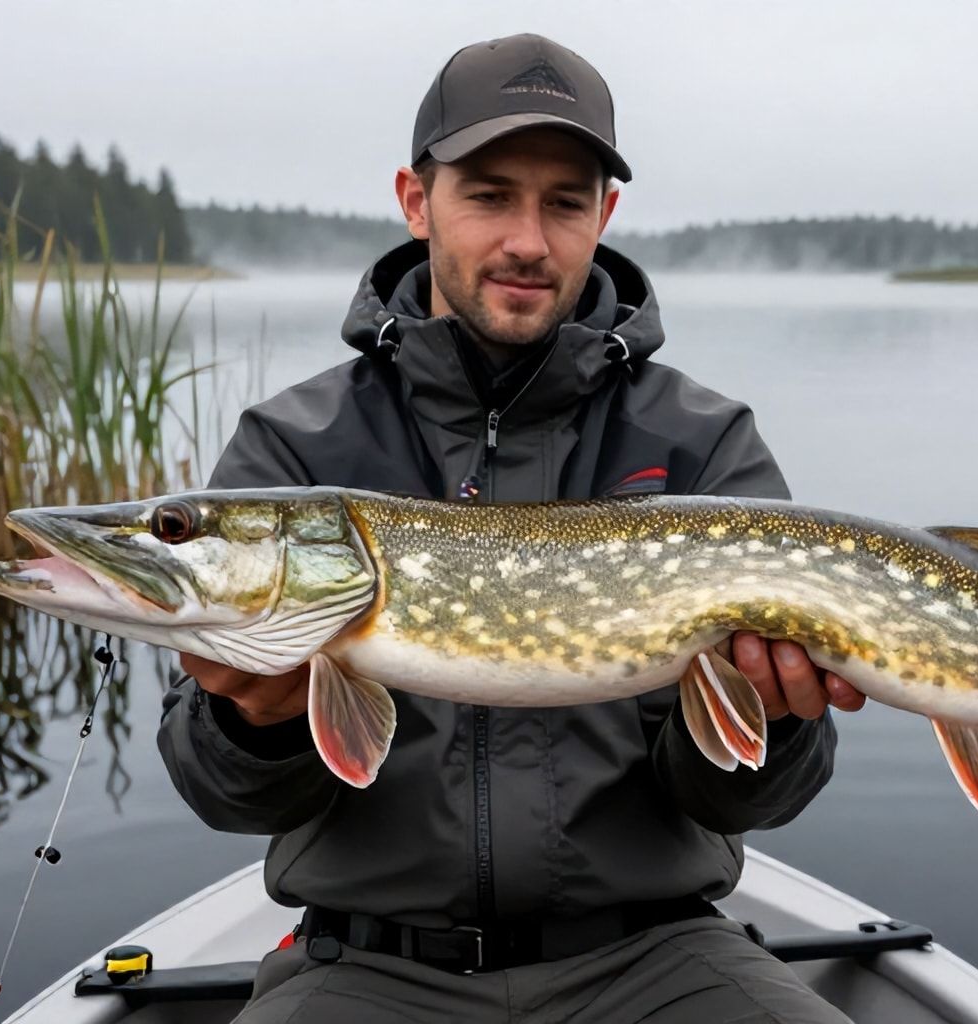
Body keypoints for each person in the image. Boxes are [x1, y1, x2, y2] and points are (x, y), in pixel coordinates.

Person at [159, 32, 865, 1023]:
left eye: (564, 203)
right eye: (490, 195)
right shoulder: (294, 447)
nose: (528, 241)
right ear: (417, 200)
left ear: (603, 216)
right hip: (366, 965)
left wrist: (778, 718)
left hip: (654, 955)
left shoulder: (702, 442)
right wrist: (248, 722)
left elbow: (749, 798)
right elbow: (225, 795)